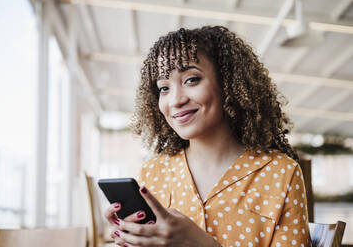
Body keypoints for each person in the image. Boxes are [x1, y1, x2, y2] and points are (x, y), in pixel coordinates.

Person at [104, 26, 311, 247]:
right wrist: (131, 239)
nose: (175, 100)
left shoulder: (281, 173)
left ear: (229, 83)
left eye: (191, 80)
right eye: (164, 88)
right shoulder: (153, 173)